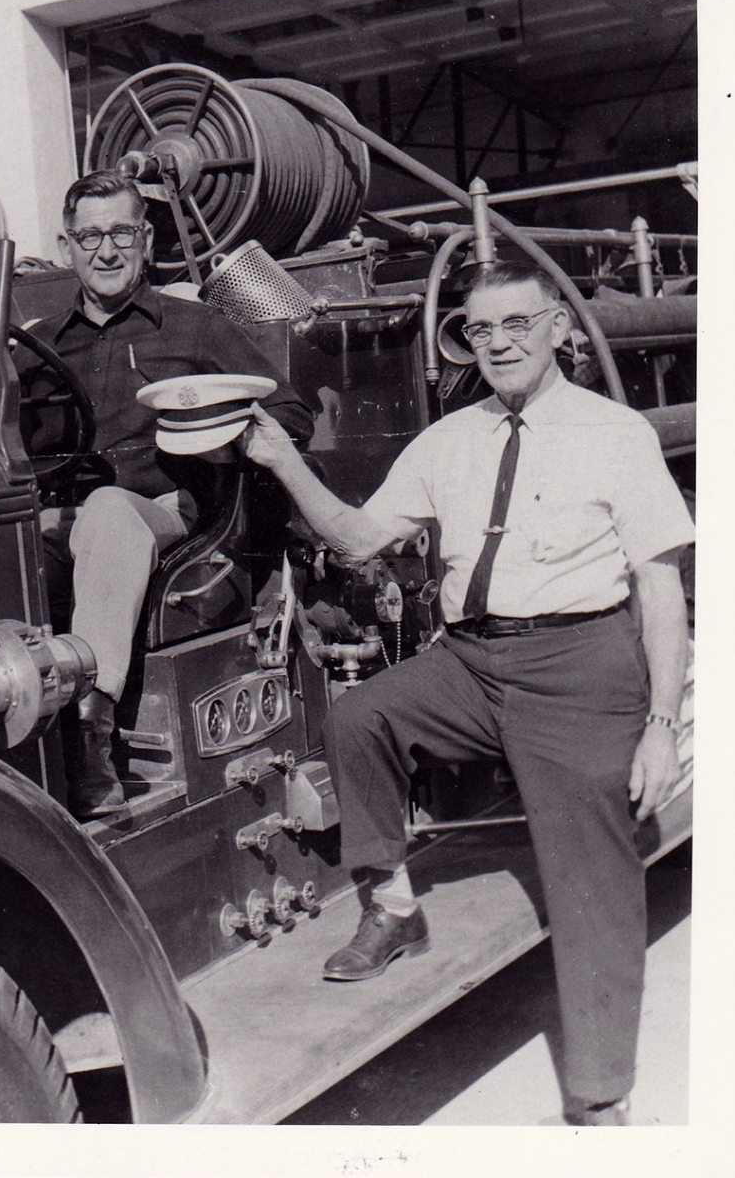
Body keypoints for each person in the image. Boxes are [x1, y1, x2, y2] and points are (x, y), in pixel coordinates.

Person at [242, 261, 693, 1127]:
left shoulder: (615, 432)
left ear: (559, 326)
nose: (500, 342)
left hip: (581, 664)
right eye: (481, 330)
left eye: (518, 323)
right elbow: (359, 534)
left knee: (592, 875)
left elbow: (660, 585)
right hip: (473, 662)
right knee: (361, 715)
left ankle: (600, 1094)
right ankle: (394, 909)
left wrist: (662, 724)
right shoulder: (449, 439)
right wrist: (284, 459)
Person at [14, 170, 312, 819]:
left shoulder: (196, 327)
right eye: (89, 236)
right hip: (53, 519)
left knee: (110, 511)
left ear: (146, 240)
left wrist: (214, 436)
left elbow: (290, 415)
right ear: (66, 248)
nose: (106, 249)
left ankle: (91, 733)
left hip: (164, 512)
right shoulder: (36, 346)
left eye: (121, 231)